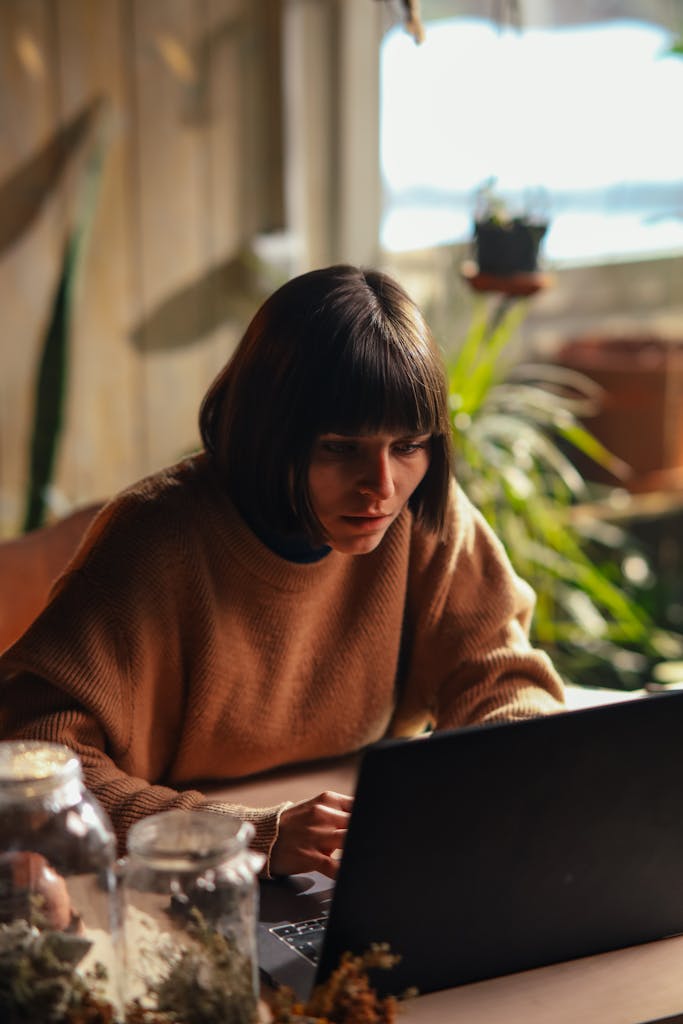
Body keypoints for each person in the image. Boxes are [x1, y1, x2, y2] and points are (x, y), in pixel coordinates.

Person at [0, 265, 565, 878]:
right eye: (338, 447)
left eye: (408, 445)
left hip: (360, 859)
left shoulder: (426, 519)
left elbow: (504, 680)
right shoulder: (153, 543)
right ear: (268, 432)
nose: (381, 487)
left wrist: (482, 784)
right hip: (182, 881)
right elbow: (34, 757)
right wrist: (244, 835)